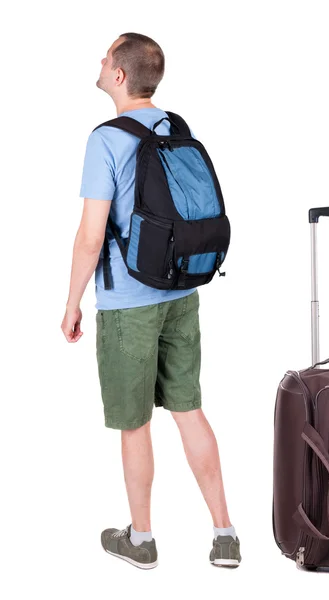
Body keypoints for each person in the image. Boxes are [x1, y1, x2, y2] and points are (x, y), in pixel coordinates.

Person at [61, 32, 241, 570]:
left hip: (128, 304)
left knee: (135, 422)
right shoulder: (174, 128)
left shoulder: (105, 139)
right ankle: (225, 534)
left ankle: (140, 540)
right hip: (182, 292)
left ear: (119, 75)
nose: (99, 61)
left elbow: (92, 235)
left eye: (105, 56)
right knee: (188, 410)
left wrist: (72, 302)